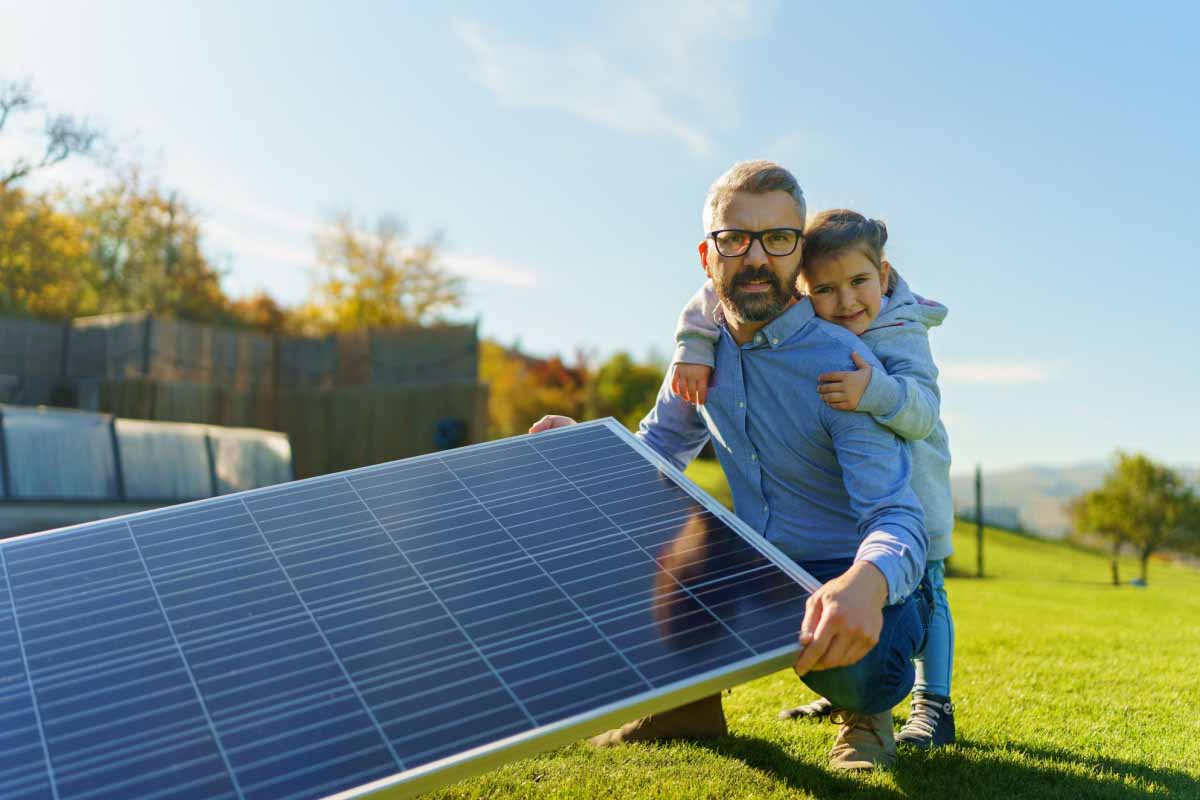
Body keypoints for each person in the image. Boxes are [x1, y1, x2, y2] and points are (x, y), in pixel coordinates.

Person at [530, 160, 931, 770]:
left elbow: (898, 515)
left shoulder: (843, 364)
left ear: (798, 254)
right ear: (707, 255)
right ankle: (685, 706)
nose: (756, 258)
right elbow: (657, 453)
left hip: (847, 573)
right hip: (760, 562)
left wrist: (866, 583)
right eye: (735, 239)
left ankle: (866, 715)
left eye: (778, 240)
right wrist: (588, 446)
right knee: (687, 527)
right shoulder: (701, 352)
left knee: (859, 669)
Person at [670, 208, 956, 748]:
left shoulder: (899, 330)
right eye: (826, 289)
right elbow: (708, 300)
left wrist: (874, 391)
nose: (847, 301)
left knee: (933, 592)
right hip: (856, 502)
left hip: (916, 488)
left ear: (885, 276)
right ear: (802, 290)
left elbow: (921, 411)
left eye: (859, 283)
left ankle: (934, 701)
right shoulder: (813, 335)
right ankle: (836, 691)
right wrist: (692, 345)